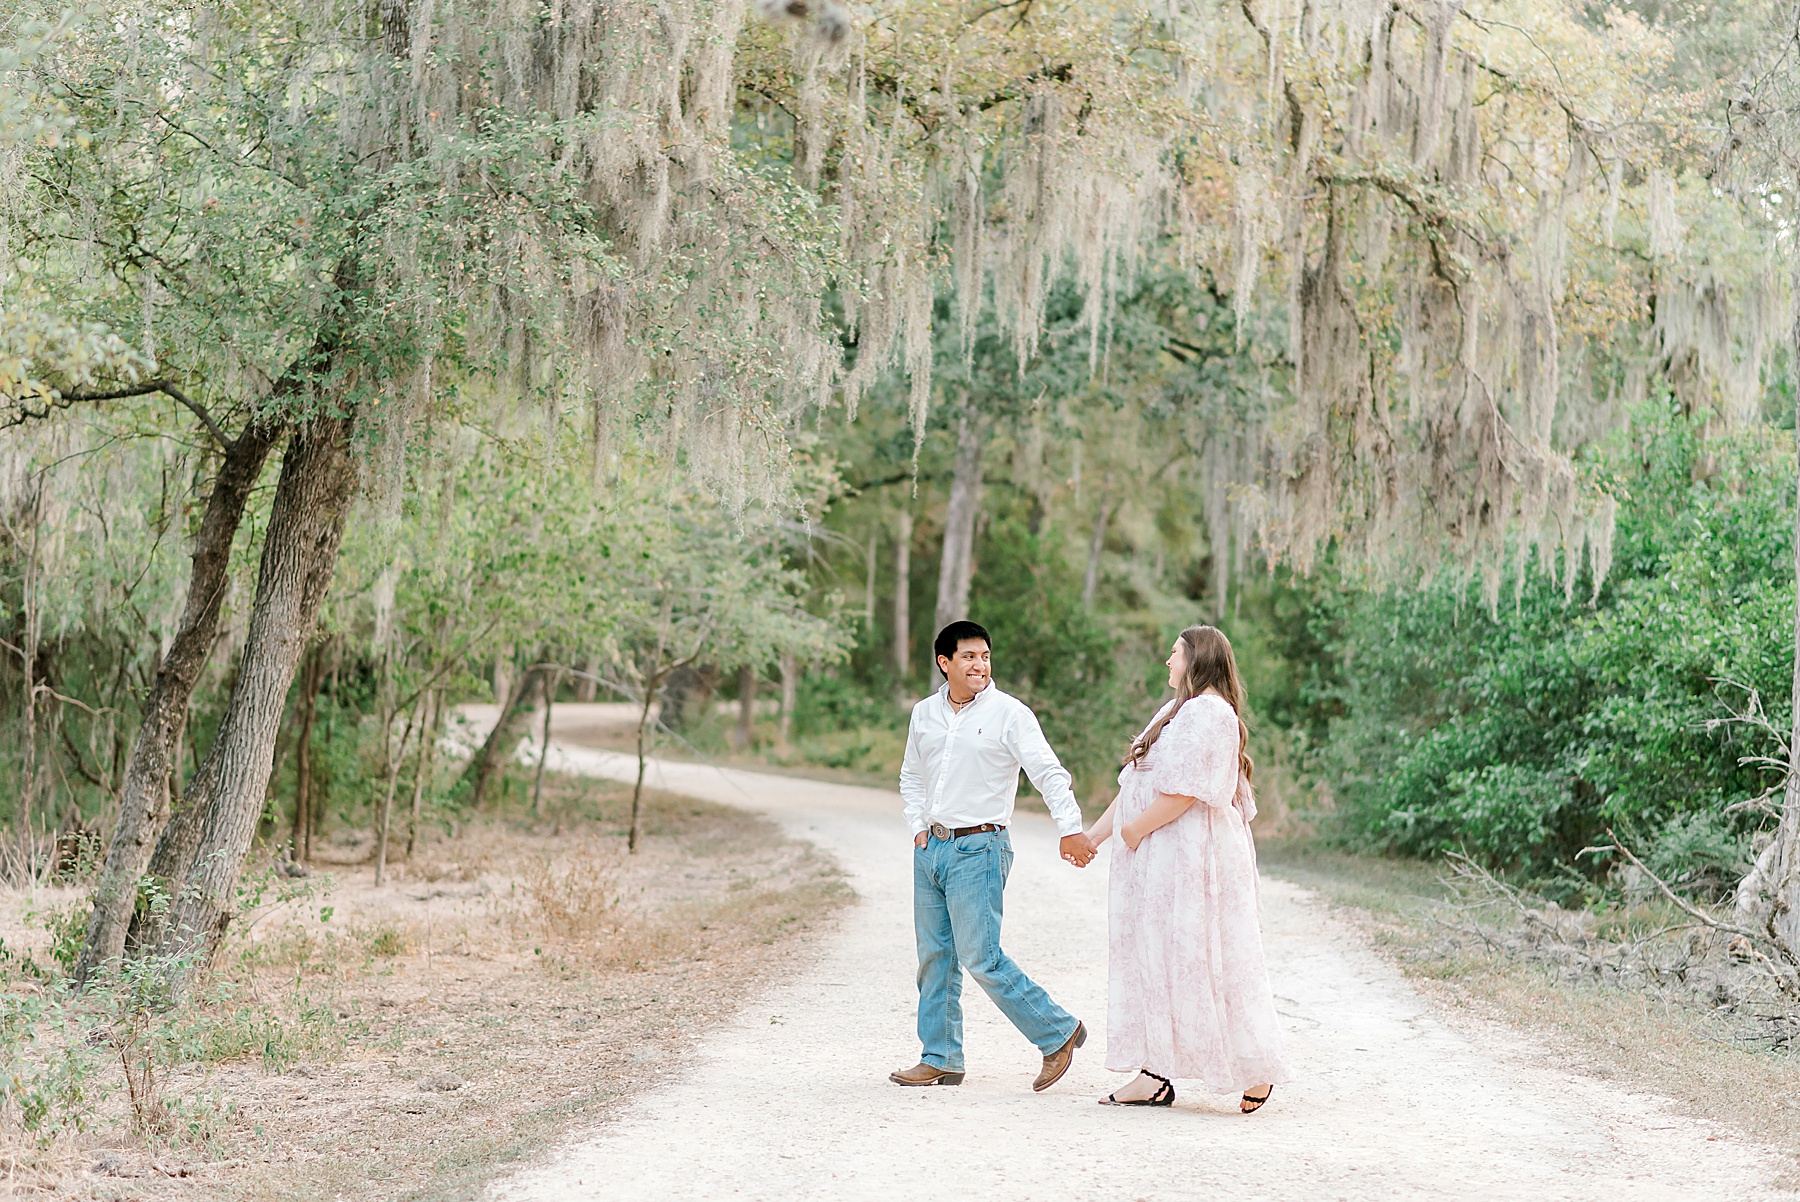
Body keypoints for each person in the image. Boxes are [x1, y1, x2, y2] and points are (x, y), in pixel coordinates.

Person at [1082, 624, 1292, 1112]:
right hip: (1160, 862)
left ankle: (1255, 1067)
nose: (1168, 662)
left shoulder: (1212, 715)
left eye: (1174, 654)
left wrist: (1135, 832)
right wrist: (1095, 836)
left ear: (1197, 658)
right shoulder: (1176, 712)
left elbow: (1184, 792)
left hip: (1194, 861)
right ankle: (1154, 1073)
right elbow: (1135, 784)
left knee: (1214, 957)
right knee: (1158, 961)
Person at [890, 620, 1098, 1091]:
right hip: (932, 849)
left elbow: (1048, 771)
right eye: (968, 657)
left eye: (984, 656)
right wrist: (918, 827)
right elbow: (911, 776)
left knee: (980, 956)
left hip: (980, 846)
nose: (979, 664)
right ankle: (940, 1056)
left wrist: (1070, 828)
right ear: (945, 663)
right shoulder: (923, 714)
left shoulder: (1010, 714)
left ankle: (1058, 1032)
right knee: (935, 957)